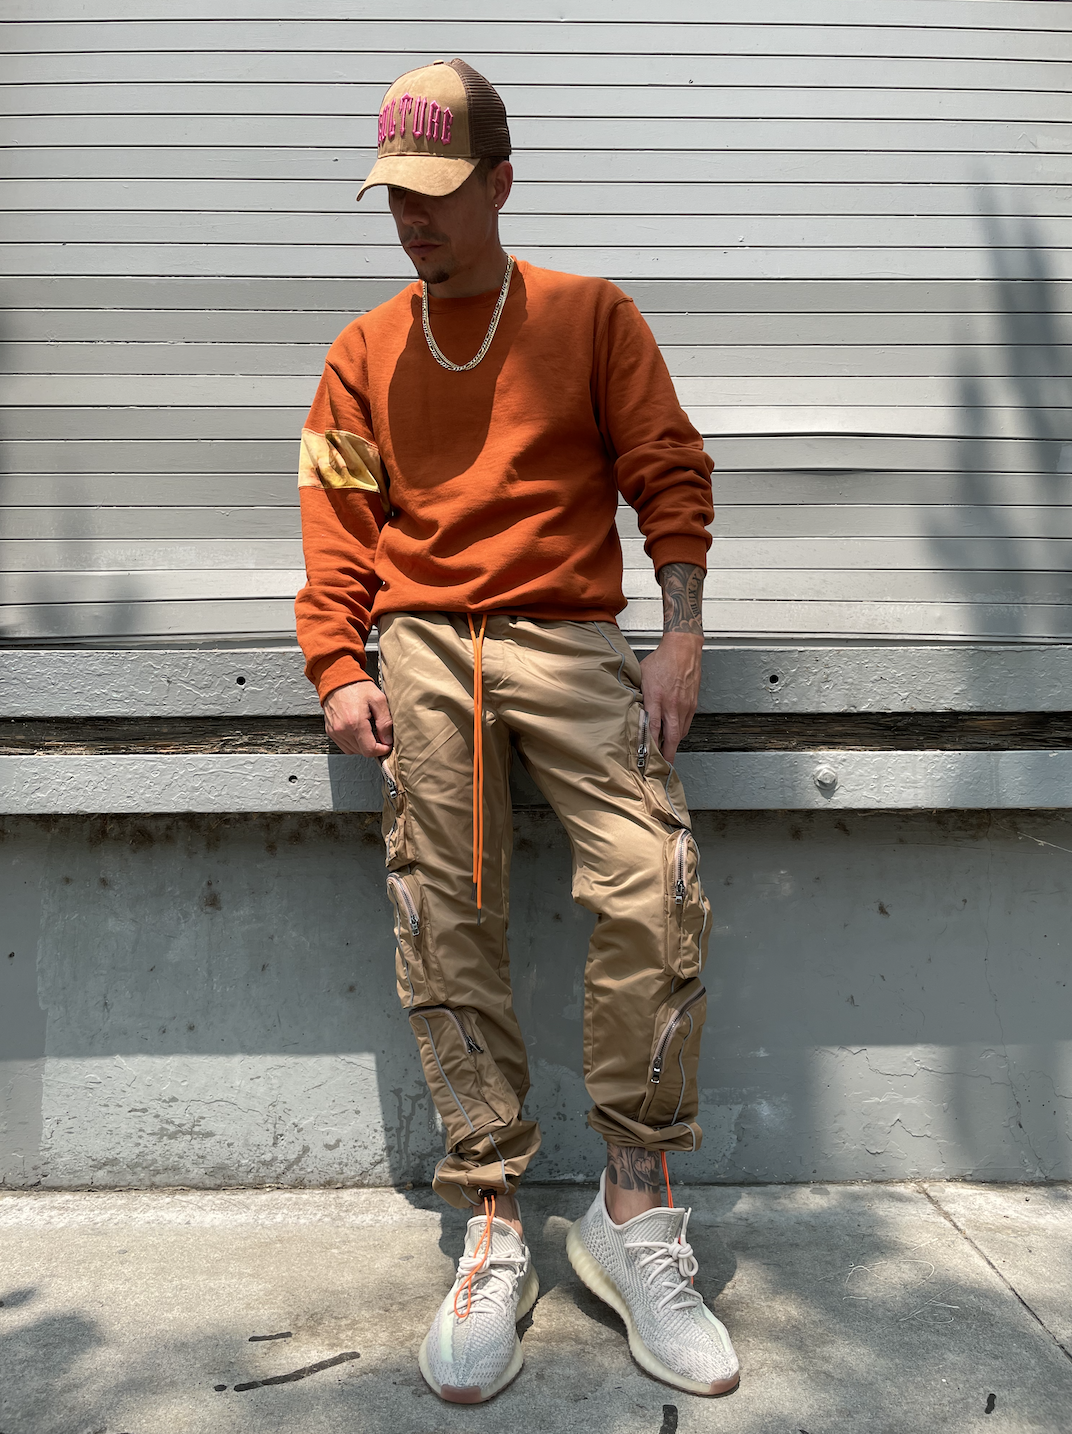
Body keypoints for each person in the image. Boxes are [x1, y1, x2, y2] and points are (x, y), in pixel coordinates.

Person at [294, 58, 739, 1404]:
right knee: (446, 903)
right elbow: (336, 521)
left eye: (437, 193)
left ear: (500, 181)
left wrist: (678, 626)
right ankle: (492, 1218)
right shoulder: (362, 351)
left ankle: (634, 1207)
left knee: (654, 890)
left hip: (568, 634)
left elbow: (670, 463)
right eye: (394, 195)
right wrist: (334, 661)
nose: (411, 219)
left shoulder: (590, 318)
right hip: (425, 642)